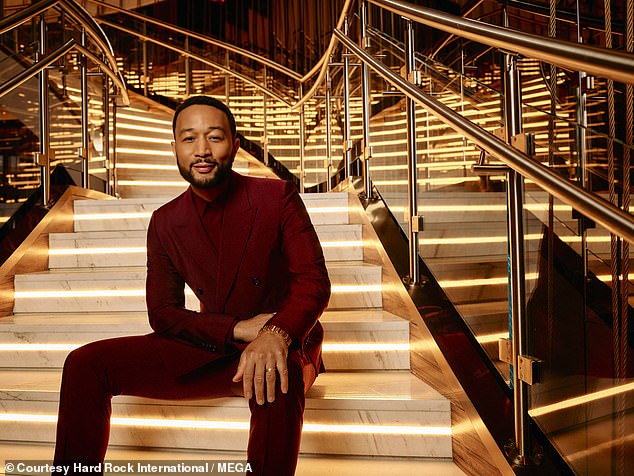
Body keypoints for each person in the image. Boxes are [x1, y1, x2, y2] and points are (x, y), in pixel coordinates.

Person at [53, 95, 331, 476]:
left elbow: (313, 283)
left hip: (286, 339)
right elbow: (163, 313)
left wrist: (275, 334)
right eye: (189, 139)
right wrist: (235, 328)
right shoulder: (166, 221)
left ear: (234, 145)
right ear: (174, 149)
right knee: (84, 364)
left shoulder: (275, 198)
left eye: (214, 137)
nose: (202, 150)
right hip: (214, 340)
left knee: (276, 373)